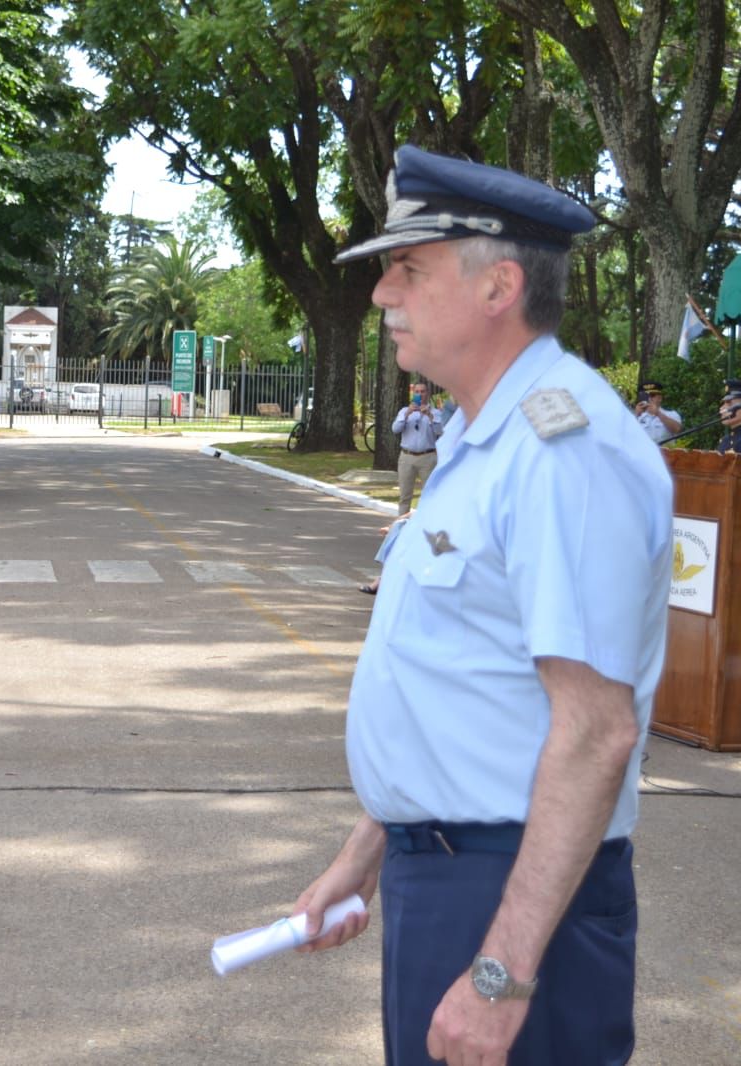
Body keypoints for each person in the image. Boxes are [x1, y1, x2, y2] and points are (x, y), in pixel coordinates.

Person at [298, 145, 672, 1065]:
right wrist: (365, 853)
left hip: (509, 893)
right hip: (452, 874)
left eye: (408, 269)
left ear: (499, 284)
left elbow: (594, 731)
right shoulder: (482, 433)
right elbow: (462, 689)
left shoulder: (561, 449)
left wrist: (502, 973)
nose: (383, 294)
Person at [391, 380, 442, 514]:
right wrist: (407, 414)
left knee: (430, 494)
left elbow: (440, 432)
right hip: (407, 457)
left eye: (423, 391)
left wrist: (430, 416)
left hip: (428, 457)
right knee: (405, 496)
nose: (420, 394)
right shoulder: (404, 411)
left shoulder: (435, 413)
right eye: (417, 392)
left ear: (428, 393)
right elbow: (395, 429)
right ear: (413, 394)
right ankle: (400, 528)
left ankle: (427, 528)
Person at [634, 379, 682, 444]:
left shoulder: (671, 414)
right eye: (645, 396)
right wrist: (635, 415)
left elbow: (677, 429)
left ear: (660, 398)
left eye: (652, 395)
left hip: (665, 453)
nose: (649, 399)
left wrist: (658, 413)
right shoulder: (637, 418)